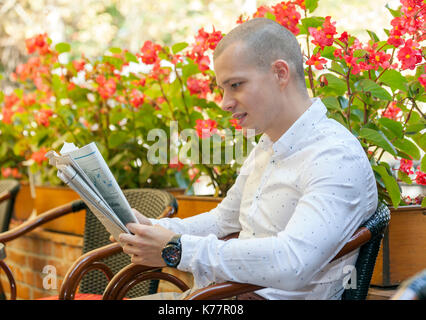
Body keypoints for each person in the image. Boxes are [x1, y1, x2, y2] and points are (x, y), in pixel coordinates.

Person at [117, 17, 378, 300]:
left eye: (236, 85)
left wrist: (177, 249)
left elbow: (293, 261)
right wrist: (154, 229)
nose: (225, 102)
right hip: (224, 295)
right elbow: (222, 221)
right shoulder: (268, 145)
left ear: (280, 73)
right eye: (222, 89)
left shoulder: (334, 155)